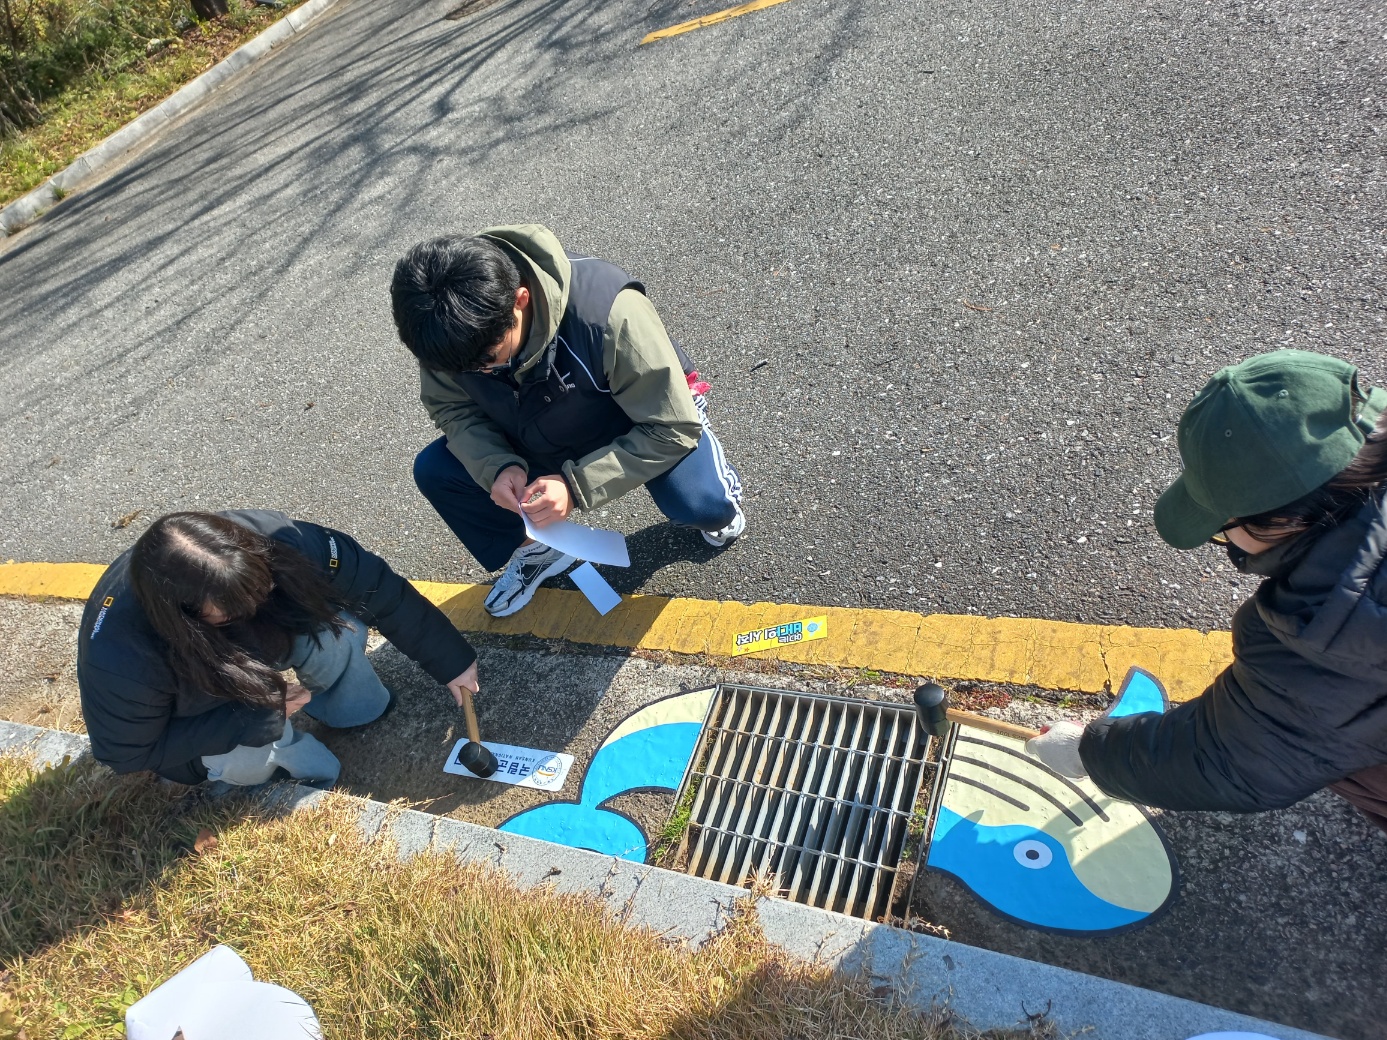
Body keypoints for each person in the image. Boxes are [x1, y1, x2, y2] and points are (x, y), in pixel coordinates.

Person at [1026, 350, 1387, 834]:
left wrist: (1089, 752)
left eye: (1223, 529)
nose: (1226, 543)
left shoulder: (1324, 631)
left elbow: (1230, 756)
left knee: (1346, 749)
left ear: (1282, 520)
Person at [391, 224, 744, 618]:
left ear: (519, 301)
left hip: (633, 418)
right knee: (437, 470)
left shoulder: (608, 313)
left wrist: (576, 487)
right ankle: (538, 550)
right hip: (533, 424)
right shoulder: (446, 332)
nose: (478, 371)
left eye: (488, 358)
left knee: (704, 506)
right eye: (464, 367)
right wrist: (497, 465)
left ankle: (719, 493)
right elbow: (452, 408)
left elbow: (670, 427)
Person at [77, 510, 479, 789]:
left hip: (241, 644)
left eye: (259, 589)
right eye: (231, 611)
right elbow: (124, 753)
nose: (252, 607)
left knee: (335, 628)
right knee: (251, 754)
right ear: (186, 615)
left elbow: (376, 586)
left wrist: (452, 661)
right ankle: (303, 779)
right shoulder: (122, 655)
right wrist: (254, 715)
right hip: (200, 699)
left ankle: (353, 713)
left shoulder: (275, 539)